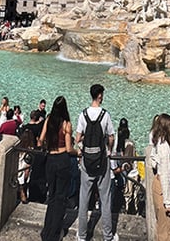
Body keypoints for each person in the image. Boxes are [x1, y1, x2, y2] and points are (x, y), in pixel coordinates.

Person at [75, 83, 116, 241]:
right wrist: (109, 150)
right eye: (102, 95)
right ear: (99, 96)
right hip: (102, 161)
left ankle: (82, 236)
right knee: (105, 199)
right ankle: (107, 236)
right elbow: (111, 136)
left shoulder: (83, 114)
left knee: (83, 198)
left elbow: (78, 139)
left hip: (86, 161)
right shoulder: (105, 115)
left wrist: (82, 149)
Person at [38, 96, 78, 241]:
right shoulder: (66, 124)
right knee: (60, 199)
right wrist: (78, 152)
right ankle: (54, 234)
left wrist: (47, 145)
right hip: (62, 160)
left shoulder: (48, 119)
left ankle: (46, 231)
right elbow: (68, 148)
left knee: (52, 196)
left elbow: (40, 140)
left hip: (50, 159)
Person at [150, 114, 170, 241]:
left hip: (156, 184)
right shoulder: (165, 148)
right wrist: (167, 202)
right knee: (168, 229)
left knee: (161, 225)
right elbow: (165, 177)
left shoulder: (158, 141)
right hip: (163, 188)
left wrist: (168, 161)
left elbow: (152, 159)